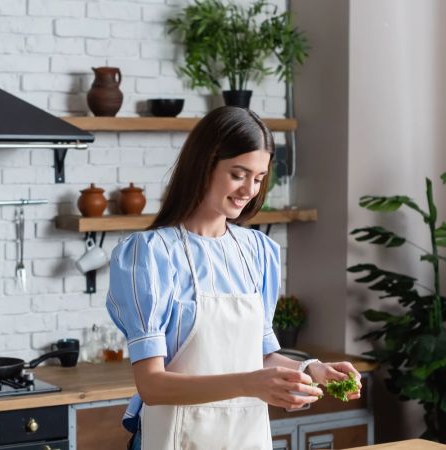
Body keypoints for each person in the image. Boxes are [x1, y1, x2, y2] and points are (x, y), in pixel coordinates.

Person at [106, 106, 362, 450]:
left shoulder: (257, 251)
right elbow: (152, 386)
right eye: (238, 174)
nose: (249, 190)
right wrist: (249, 384)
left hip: (246, 438)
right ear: (204, 165)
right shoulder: (151, 254)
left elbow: (262, 354)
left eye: (258, 178)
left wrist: (311, 369)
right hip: (175, 439)